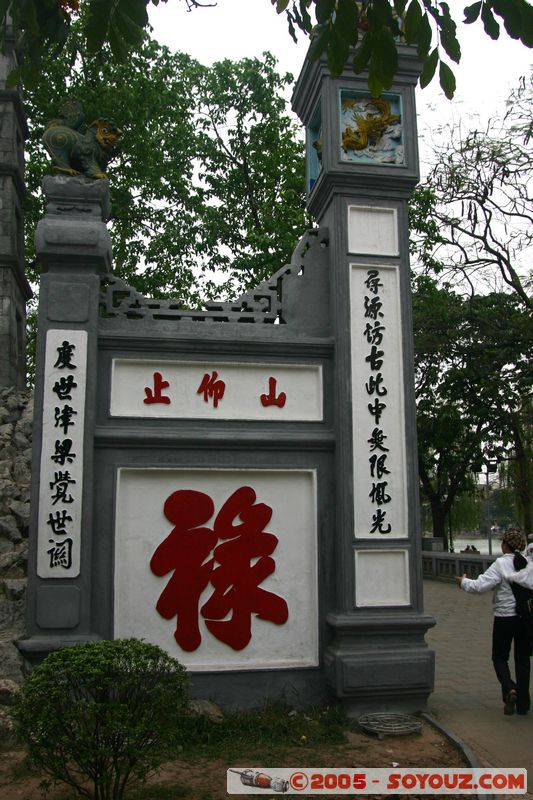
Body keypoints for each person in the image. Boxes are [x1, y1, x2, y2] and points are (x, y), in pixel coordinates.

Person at [455, 529, 531, 716]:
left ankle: (510, 688)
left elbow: (480, 586)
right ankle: (523, 704)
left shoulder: (501, 564)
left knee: (499, 657)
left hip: (504, 618)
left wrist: (463, 582)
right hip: (526, 619)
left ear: (505, 544)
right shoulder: (528, 563)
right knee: (522, 660)